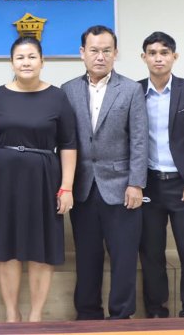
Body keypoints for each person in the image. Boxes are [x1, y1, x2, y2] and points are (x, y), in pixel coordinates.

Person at [0, 36, 77, 323]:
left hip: (44, 178)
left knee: (41, 247)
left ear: (42, 61)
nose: (26, 62)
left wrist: (67, 186)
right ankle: (12, 315)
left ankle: (35, 317)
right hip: (4, 178)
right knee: (5, 247)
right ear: (11, 63)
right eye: (20, 57)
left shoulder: (57, 97)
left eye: (32, 57)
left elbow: (68, 144)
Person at [61, 24, 147, 320]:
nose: (100, 56)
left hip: (122, 187)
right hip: (83, 187)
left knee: (124, 257)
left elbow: (139, 140)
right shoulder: (68, 90)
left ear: (116, 53)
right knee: (87, 256)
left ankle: (121, 317)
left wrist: (136, 183)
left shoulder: (132, 89)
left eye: (106, 51)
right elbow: (66, 142)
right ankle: (88, 315)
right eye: (94, 50)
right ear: (82, 53)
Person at [137, 31, 184, 318]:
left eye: (164, 52)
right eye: (152, 53)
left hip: (182, 185)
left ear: (174, 57)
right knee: (151, 253)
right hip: (149, 185)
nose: (158, 58)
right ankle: (157, 312)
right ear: (144, 57)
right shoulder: (134, 91)